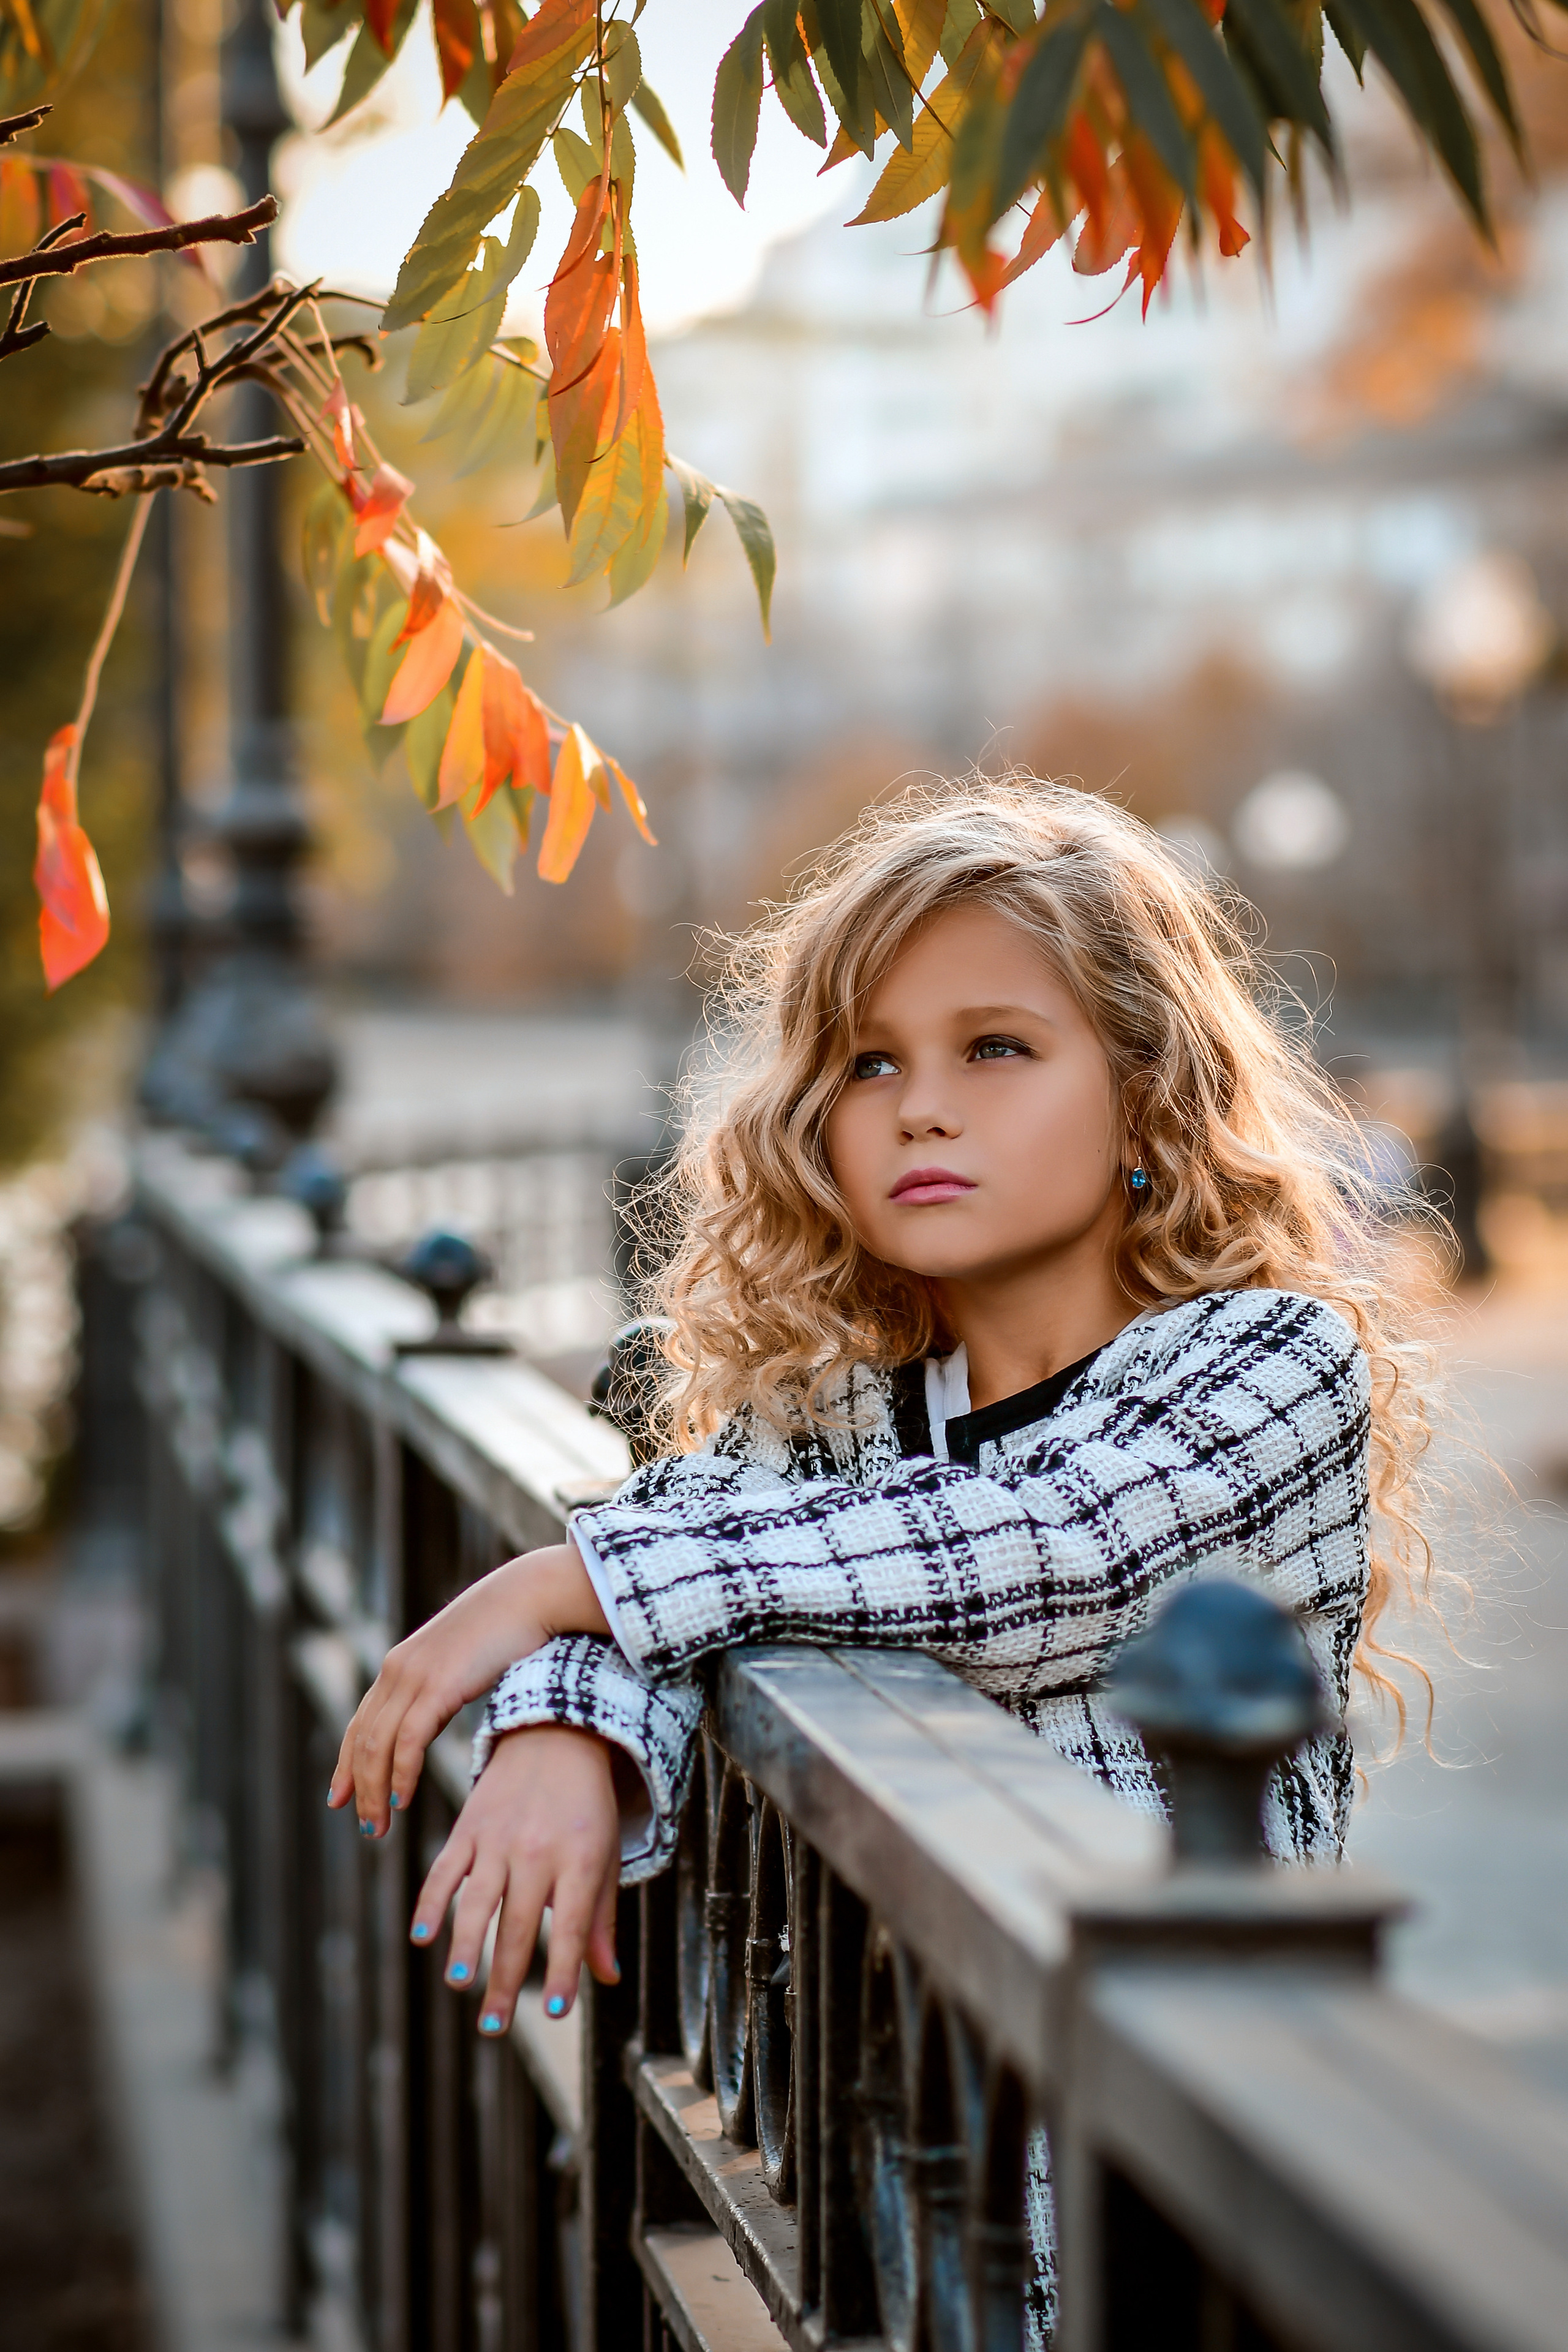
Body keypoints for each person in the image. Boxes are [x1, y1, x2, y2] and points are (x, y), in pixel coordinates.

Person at [328, 778, 1443, 2336]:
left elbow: (1050, 1551)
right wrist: (568, 1723)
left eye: (995, 1047)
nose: (919, 1106)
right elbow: (710, 1553)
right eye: (867, 1061)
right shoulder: (831, 1416)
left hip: (1168, 2231)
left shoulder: (1266, 1368)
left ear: (1144, 1094)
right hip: (874, 2243)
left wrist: (561, 1582)